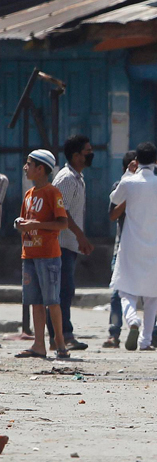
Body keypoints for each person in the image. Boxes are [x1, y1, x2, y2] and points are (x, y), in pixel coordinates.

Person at [109, 143, 157, 351]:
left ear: (137, 160)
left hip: (131, 244)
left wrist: (126, 174)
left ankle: (132, 319)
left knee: (125, 290)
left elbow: (114, 199)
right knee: (152, 297)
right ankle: (145, 341)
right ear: (155, 161)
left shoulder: (130, 182)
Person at [103, 150, 157, 349]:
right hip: (124, 247)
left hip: (147, 246)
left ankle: (152, 334)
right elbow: (112, 215)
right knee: (118, 291)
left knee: (149, 291)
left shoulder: (153, 185)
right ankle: (115, 333)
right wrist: (129, 197)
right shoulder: (121, 186)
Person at [14, 150, 69, 359]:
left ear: (40, 169)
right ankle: (39, 344)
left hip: (48, 255)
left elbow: (62, 223)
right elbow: (24, 220)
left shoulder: (52, 193)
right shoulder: (28, 195)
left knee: (52, 301)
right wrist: (21, 225)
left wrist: (37, 225)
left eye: (29, 164)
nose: (25, 167)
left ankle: (60, 344)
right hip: (29, 254)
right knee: (35, 301)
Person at [49, 134, 95, 350]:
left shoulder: (77, 178)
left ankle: (60, 335)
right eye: (87, 151)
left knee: (64, 290)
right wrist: (80, 236)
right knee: (62, 291)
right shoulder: (67, 178)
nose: (90, 154)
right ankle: (63, 336)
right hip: (60, 243)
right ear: (76, 156)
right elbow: (62, 212)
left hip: (68, 243)